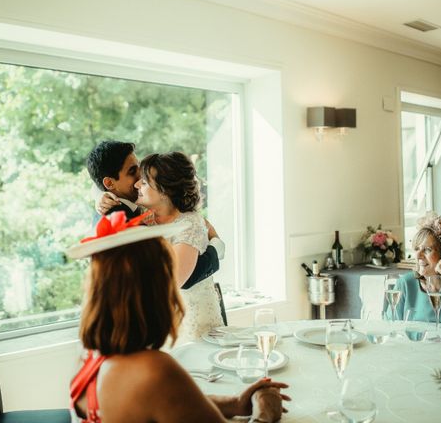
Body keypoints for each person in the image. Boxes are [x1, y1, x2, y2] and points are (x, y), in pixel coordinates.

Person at [67, 215, 290, 423]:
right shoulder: (155, 371)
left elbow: (166, 403)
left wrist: (236, 403)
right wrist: (264, 412)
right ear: (156, 292)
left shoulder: (88, 357)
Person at [86, 140, 222, 290]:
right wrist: (214, 252)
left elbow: (195, 223)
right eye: (132, 171)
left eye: (139, 168)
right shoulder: (118, 219)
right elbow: (175, 280)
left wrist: (98, 194)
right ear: (110, 184)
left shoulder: (136, 204)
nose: (139, 177)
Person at [135, 152, 223, 341]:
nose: (136, 185)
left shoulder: (190, 223)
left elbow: (172, 282)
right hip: (162, 326)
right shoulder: (144, 219)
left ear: (164, 189)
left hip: (193, 324)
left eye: (143, 182)